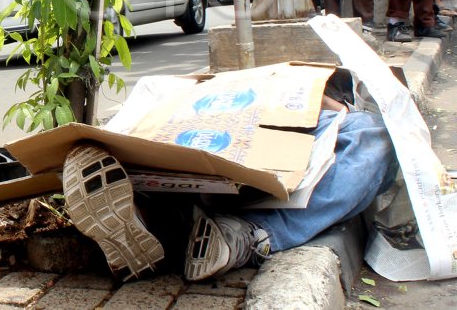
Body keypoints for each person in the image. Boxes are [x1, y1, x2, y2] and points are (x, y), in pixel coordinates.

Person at [63, 104, 397, 281]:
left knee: (376, 137)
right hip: (257, 132)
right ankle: (161, 221)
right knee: (374, 136)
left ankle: (165, 223)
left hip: (283, 159)